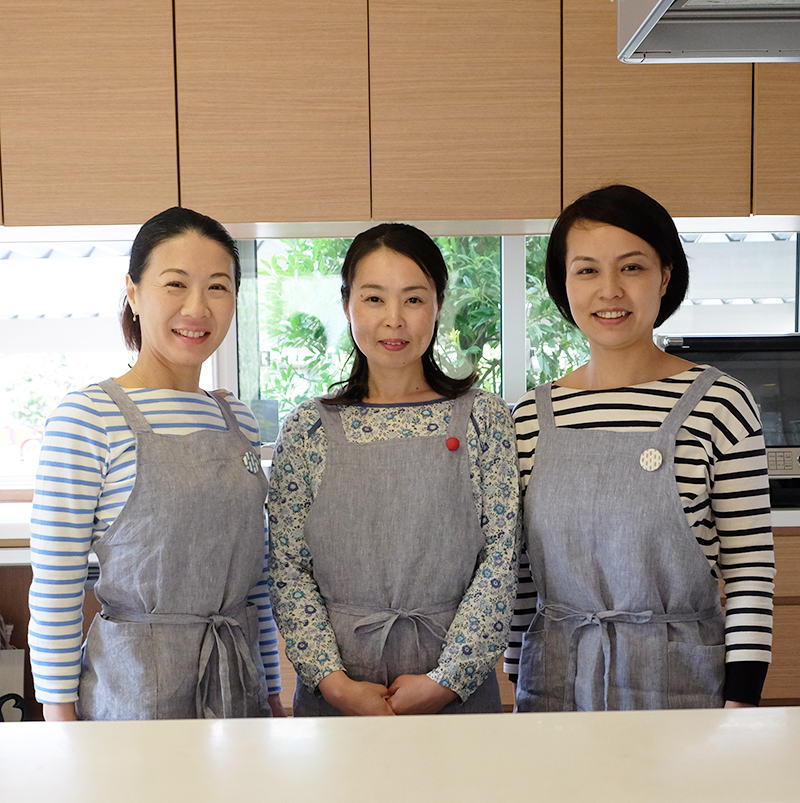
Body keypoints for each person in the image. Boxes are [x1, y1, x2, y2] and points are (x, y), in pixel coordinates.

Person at [504, 185, 775, 712]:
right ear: (564, 283)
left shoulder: (720, 403)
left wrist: (742, 704)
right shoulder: (528, 419)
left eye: (631, 267)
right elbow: (519, 583)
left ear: (665, 276)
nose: (610, 291)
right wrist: (518, 683)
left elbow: (749, 571)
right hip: (554, 686)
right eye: (587, 270)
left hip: (683, 687)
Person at [28, 207, 285, 721]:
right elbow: (56, 582)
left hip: (238, 685)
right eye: (175, 284)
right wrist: (59, 721)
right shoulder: (88, 416)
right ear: (133, 292)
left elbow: (257, 577)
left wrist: (273, 691)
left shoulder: (235, 417)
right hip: (135, 693)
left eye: (218, 287)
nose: (198, 308)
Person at [268, 223, 520, 716]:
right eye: (374, 299)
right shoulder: (307, 428)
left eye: (413, 299)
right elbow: (288, 570)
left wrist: (445, 680)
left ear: (438, 306)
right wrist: (335, 684)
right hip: (336, 697)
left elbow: (500, 562)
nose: (394, 321)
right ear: (348, 307)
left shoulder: (485, 419)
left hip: (457, 692)